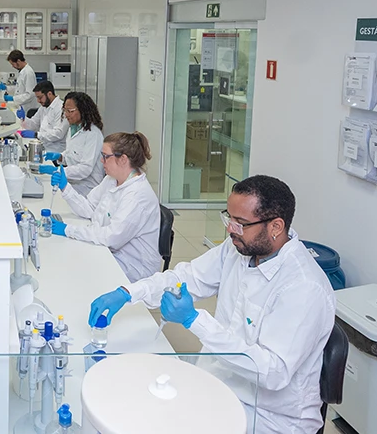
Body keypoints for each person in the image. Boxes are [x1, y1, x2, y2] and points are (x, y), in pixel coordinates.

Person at [87, 176, 336, 434]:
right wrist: (128, 292)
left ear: (276, 226)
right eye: (229, 218)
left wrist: (194, 320)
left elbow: (272, 372)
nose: (230, 230)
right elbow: (186, 277)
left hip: (268, 417)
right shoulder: (239, 249)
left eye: (240, 223)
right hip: (222, 383)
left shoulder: (303, 287)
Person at [48, 132, 161, 282]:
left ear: (123, 159)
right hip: (110, 251)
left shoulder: (137, 196)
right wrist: (65, 187)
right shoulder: (112, 179)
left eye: (105, 156)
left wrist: (68, 230)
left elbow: (111, 238)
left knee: (73, 271)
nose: (101, 161)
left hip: (132, 268)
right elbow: (89, 208)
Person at [38, 91, 104, 195]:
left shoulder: (93, 134)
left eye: (70, 111)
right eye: (65, 110)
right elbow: (73, 153)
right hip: (73, 183)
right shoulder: (73, 128)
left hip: (88, 188)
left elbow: (85, 169)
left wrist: (59, 171)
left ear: (82, 110)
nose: (66, 115)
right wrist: (60, 157)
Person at [21, 81, 68, 155]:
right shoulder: (43, 107)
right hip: (43, 147)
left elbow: (58, 134)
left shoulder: (61, 108)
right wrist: (24, 118)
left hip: (56, 152)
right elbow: (34, 124)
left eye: (40, 97)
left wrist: (37, 135)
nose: (38, 101)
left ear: (49, 94)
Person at [4, 50, 40, 117]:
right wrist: (6, 88)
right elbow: (19, 88)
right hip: (22, 107)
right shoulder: (22, 71)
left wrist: (13, 98)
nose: (12, 66)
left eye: (13, 64)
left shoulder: (28, 73)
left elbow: (30, 95)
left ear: (18, 61)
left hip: (28, 109)